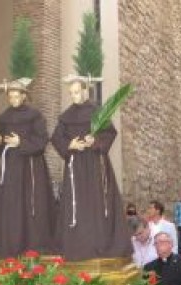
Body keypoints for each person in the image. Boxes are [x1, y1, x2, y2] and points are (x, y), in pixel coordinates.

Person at [51, 76, 132, 261]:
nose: (74, 96)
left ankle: (99, 244)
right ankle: (76, 246)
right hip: (75, 166)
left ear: (86, 91)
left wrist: (94, 141)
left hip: (96, 164)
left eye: (77, 92)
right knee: (76, 205)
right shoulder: (66, 116)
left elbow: (110, 133)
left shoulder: (98, 112)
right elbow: (56, 138)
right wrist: (70, 145)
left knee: (96, 204)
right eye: (71, 93)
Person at [0, 79, 57, 259]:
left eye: (17, 96)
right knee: (10, 207)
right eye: (10, 96)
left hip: (30, 169)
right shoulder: (3, 118)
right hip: (9, 169)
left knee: (30, 207)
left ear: (24, 96)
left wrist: (21, 142)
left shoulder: (35, 116)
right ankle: (8, 248)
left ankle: (31, 248)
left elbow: (42, 141)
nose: (13, 100)